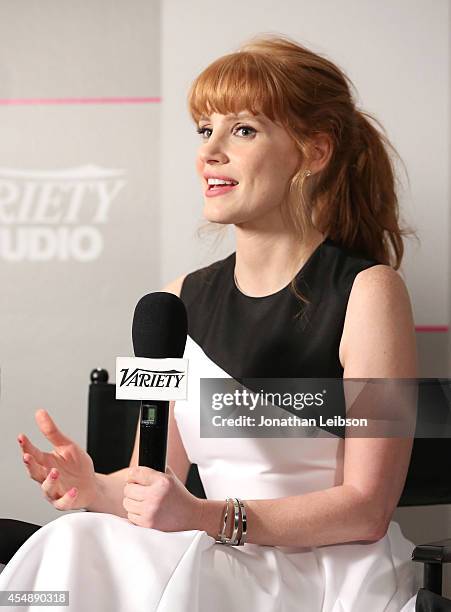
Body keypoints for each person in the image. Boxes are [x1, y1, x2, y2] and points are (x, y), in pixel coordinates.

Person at [0, 34, 429, 611]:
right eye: (205, 130)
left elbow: (368, 508)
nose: (209, 152)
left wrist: (205, 516)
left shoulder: (371, 291)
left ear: (314, 152)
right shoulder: (173, 301)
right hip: (212, 550)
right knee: (78, 535)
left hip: (322, 572)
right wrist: (95, 486)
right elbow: (152, 478)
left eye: (243, 130)